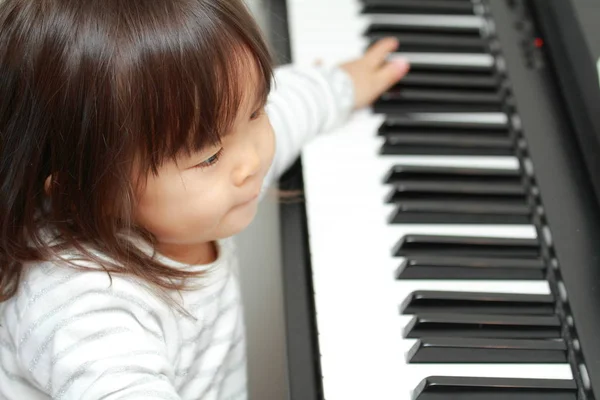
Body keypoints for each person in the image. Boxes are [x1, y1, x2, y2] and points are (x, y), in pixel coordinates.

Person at [0, 0, 410, 398]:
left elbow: (286, 112)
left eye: (255, 112)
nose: (251, 160)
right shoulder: (83, 310)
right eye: (210, 155)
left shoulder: (214, 174)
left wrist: (340, 86)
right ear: (89, 191)